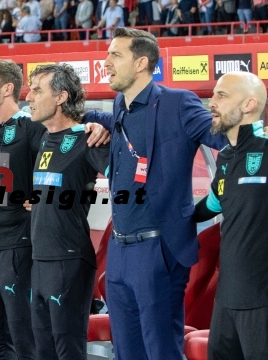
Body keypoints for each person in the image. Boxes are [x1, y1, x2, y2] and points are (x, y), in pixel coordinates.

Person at [83, 27, 228, 360]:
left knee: (161, 350)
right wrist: (90, 119)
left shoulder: (179, 103)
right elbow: (111, 118)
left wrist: (215, 200)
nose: (106, 62)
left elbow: (227, 139)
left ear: (141, 63)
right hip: (119, 251)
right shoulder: (121, 104)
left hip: (158, 249)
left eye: (115, 55)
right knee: (127, 352)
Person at [25, 64, 109, 360]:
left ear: (61, 96)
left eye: (37, 90)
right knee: (43, 351)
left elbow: (128, 170)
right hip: (39, 259)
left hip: (69, 260)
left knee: (67, 351)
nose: (29, 97)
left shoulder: (88, 137)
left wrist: (102, 125)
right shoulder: (45, 136)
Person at [194, 72, 268, 360]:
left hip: (262, 300)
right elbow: (209, 207)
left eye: (221, 96)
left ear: (249, 104)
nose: (212, 102)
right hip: (227, 299)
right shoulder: (225, 157)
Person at [0, 59, 41, 360]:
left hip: (16, 248)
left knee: (23, 340)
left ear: (8, 88)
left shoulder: (30, 126)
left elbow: (65, 158)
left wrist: (44, 196)